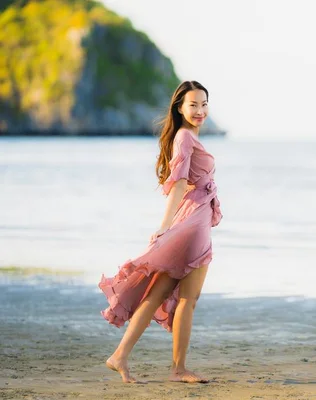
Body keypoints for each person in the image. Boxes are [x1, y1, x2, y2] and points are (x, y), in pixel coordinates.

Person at [98, 80, 222, 384]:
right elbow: (179, 184)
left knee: (156, 295)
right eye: (193, 104)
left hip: (191, 219)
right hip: (192, 223)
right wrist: (165, 228)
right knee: (187, 300)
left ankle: (120, 356)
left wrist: (170, 226)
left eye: (204, 104)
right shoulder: (184, 137)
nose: (199, 110)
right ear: (179, 107)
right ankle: (179, 370)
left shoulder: (186, 137)